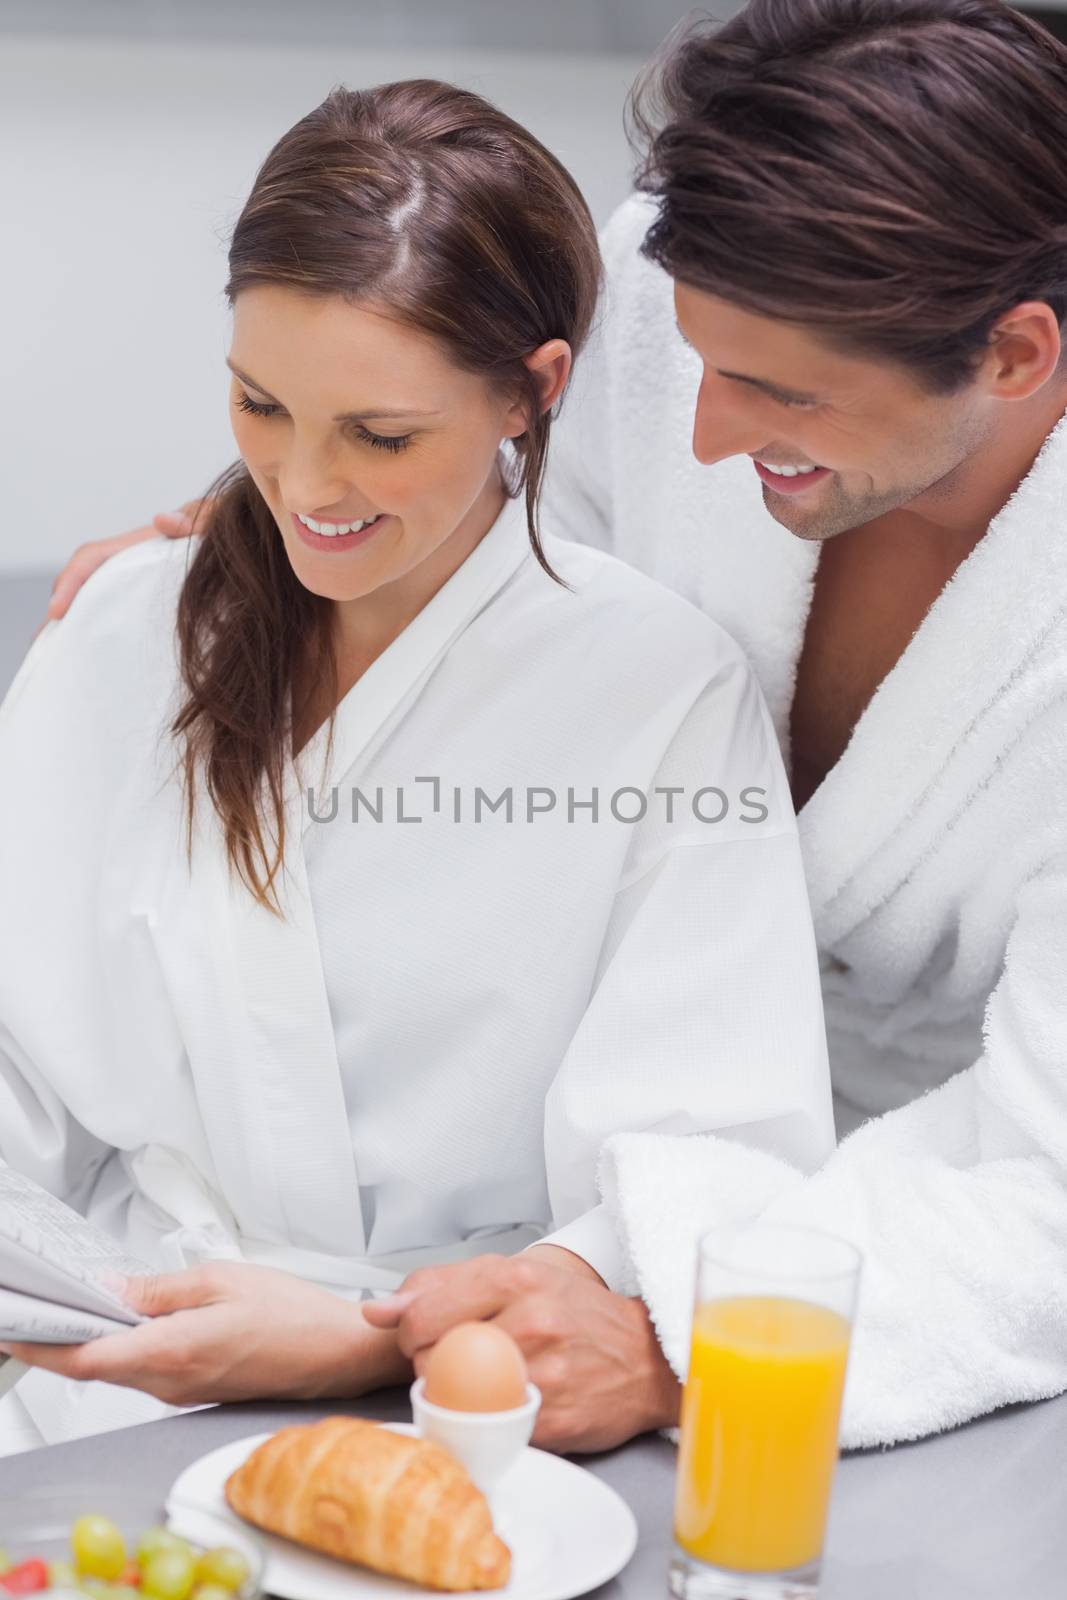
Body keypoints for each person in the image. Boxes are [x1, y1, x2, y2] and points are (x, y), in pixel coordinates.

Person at [36, 0, 1067, 1456]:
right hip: (524, 1237)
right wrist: (273, 522)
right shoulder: (679, 311)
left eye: (777, 391)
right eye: (692, 358)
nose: (697, 438)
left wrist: (677, 1336)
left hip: (898, 1243)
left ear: (1018, 355)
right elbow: (486, 459)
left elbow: (1046, 1180)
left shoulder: (704, 696)